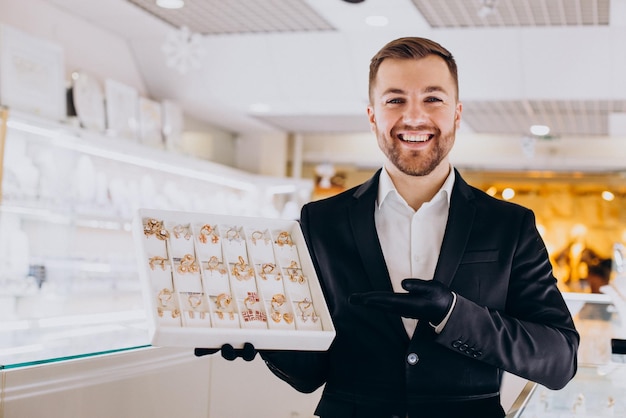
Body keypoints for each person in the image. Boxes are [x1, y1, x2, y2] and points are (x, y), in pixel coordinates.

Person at [196, 36, 580, 418]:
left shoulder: (509, 226)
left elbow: (559, 358)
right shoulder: (319, 222)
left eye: (433, 99)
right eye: (395, 100)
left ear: (457, 114)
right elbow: (311, 373)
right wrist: (265, 338)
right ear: (373, 116)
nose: (414, 117)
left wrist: (453, 314)